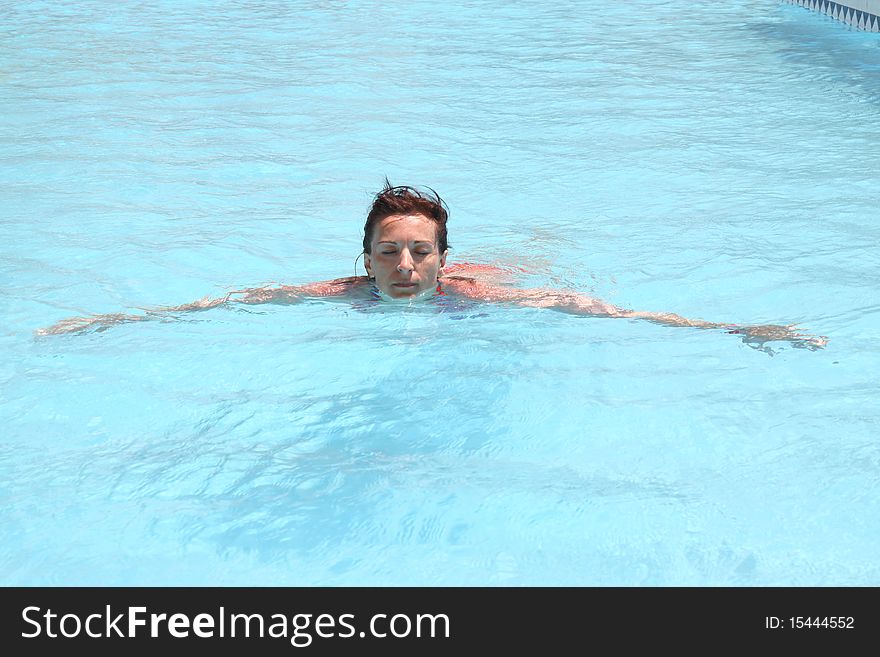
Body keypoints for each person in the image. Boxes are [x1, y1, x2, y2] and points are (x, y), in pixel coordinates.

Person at [36, 182, 828, 351]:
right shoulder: (337, 293)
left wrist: (730, 326)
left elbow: (599, 310)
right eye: (390, 252)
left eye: (420, 252)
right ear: (364, 259)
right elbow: (226, 301)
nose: (405, 265)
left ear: (443, 262)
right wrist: (115, 318)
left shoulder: (479, 296)